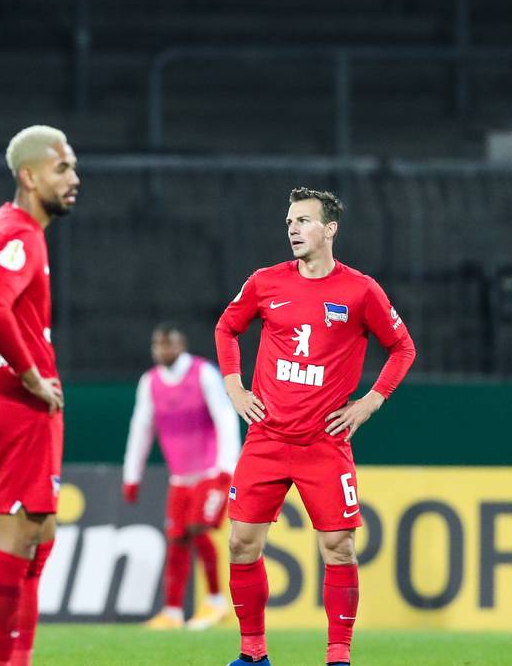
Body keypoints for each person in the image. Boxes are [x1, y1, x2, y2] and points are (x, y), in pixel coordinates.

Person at [214, 188, 416, 666]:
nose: (292, 229)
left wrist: (369, 403)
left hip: (325, 443)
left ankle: (338, 657)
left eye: (303, 221)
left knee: (339, 547)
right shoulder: (265, 283)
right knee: (242, 542)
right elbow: (227, 327)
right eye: (289, 221)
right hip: (267, 438)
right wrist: (235, 388)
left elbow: (403, 348)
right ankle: (253, 654)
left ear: (330, 229)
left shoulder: (361, 291)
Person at [0, 125, 79, 666]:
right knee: (14, 539)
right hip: (17, 403)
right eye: (62, 169)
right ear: (29, 176)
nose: (74, 179)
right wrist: (32, 376)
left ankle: (19, 659)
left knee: (40, 531)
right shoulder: (23, 236)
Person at [122, 323, 242, 630]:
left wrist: (226, 468)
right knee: (176, 538)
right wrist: (131, 474)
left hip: (210, 471)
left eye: (168, 345)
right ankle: (172, 611)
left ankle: (216, 602)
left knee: (199, 529)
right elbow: (141, 429)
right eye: (158, 345)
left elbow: (225, 417)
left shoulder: (203, 373)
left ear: (181, 345)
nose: (163, 350)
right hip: (179, 477)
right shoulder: (149, 382)